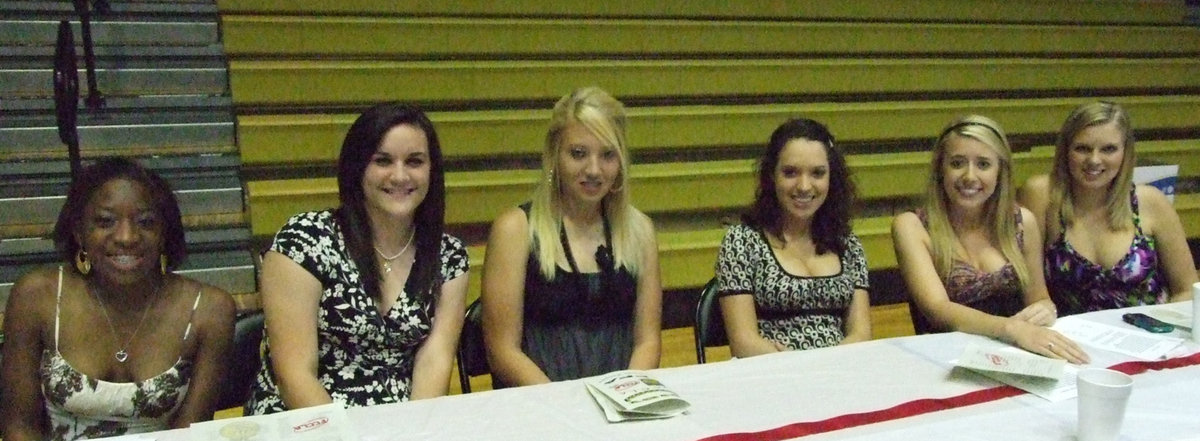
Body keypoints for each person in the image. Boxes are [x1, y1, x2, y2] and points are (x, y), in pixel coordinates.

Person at [246, 103, 469, 413]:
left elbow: (435, 360)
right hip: (304, 422)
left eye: (415, 161)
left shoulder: (449, 256)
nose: (400, 175)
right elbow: (294, 375)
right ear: (357, 167)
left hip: (397, 427)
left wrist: (416, 431)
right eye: (383, 161)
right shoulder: (304, 241)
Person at [0, 157, 235, 441]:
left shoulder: (209, 310)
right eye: (105, 221)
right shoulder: (36, 297)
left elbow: (189, 434)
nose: (126, 237)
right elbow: (19, 428)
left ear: (164, 233)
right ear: (79, 232)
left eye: (145, 222)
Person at [481, 87, 662, 386]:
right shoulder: (515, 230)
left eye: (607, 155)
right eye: (578, 154)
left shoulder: (640, 231)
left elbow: (648, 342)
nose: (594, 169)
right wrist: (567, 409)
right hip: (540, 407)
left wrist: (627, 395)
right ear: (554, 155)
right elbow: (502, 351)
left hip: (620, 407)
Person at [892, 115, 1089, 364]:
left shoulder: (1022, 222)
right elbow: (938, 310)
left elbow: (1039, 298)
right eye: (957, 163)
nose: (970, 176)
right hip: (944, 361)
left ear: (1000, 172)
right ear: (940, 170)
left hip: (1014, 357)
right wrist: (1012, 329)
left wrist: (1046, 310)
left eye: (983, 164)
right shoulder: (912, 226)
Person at [1020, 102, 1196, 315]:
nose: (1094, 160)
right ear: (1065, 150)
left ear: (1125, 152)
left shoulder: (1151, 202)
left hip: (1147, 336)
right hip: (1067, 339)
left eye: (1108, 149)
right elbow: (1026, 288)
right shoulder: (1041, 195)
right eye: (1082, 148)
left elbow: (1186, 290)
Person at [714, 118, 871, 357]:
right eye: (790, 173)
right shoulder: (741, 243)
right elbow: (743, 342)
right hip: (771, 377)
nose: (804, 186)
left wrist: (829, 367)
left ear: (832, 178)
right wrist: (799, 367)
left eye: (817, 173)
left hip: (839, 375)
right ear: (771, 176)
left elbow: (861, 334)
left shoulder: (848, 244)